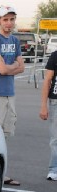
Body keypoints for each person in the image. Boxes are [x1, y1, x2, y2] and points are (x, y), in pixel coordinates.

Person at [0, 6, 25, 186]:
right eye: (5, 19)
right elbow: (0, 69)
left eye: (12, 19)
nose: (9, 23)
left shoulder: (15, 41)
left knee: (5, 136)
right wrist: (12, 67)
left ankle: (1, 173)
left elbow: (22, 67)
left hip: (10, 94)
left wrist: (10, 68)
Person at [39, 49, 57, 181]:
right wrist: (44, 105)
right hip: (55, 101)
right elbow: (47, 80)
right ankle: (53, 170)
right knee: (55, 139)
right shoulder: (55, 55)